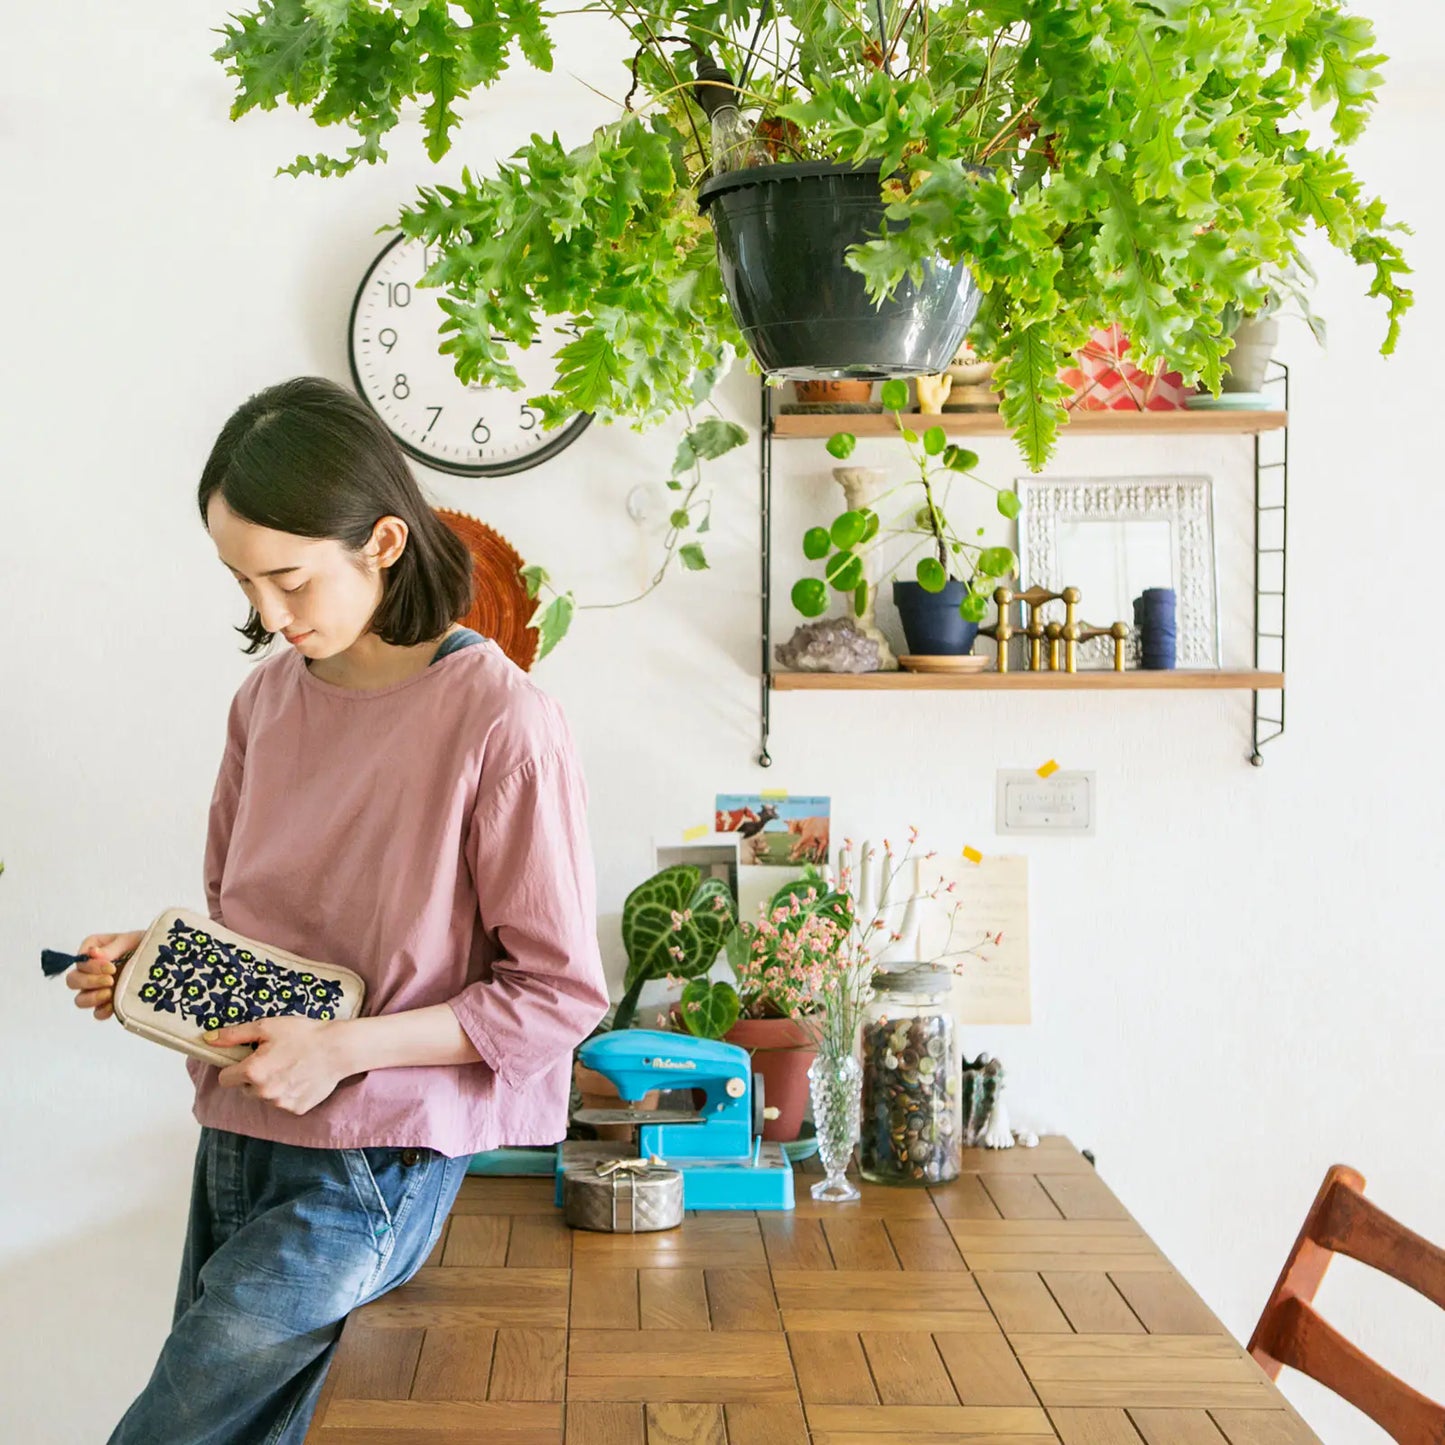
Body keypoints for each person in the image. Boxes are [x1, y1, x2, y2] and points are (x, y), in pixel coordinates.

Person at [66, 375, 610, 1444]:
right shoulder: (265, 700)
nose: (268, 615)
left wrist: (344, 1046)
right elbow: (254, 928)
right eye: (243, 581)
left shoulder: (502, 723)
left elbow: (555, 993)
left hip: (375, 1159)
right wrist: (159, 965)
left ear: (384, 543)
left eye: (289, 578)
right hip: (241, 1126)